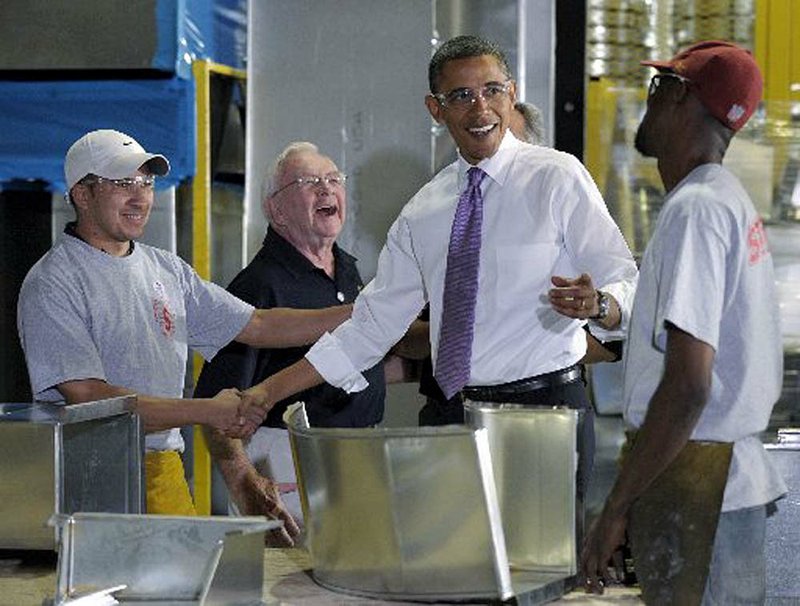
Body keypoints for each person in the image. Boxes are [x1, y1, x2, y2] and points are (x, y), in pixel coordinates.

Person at [239, 35, 637, 532]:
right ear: (436, 109)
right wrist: (267, 392)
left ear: (511, 93)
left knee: (539, 577)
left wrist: (600, 305)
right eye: (461, 96)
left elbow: (624, 278)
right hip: (451, 417)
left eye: (492, 90)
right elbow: (369, 328)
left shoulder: (557, 179)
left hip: (543, 414)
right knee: (452, 574)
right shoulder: (423, 212)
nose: (480, 108)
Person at [16, 129, 350, 517]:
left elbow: (257, 324)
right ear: (82, 194)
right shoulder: (54, 281)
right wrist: (208, 410)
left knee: (185, 579)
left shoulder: (166, 269)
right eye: (123, 183)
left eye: (146, 181)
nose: (140, 196)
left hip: (165, 472)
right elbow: (90, 396)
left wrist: (366, 313)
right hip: (91, 479)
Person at [580, 41, 786, 604]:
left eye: (658, 88)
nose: (648, 105)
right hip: (715, 479)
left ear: (679, 99)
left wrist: (615, 507)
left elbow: (690, 384)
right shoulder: (725, 201)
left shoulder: (695, 211)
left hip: (699, 480)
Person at [193, 141, 423, 546]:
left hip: (360, 455)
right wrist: (246, 486)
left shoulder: (349, 272)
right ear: (276, 210)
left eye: (334, 179)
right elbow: (219, 403)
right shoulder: (257, 287)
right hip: (288, 463)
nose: (326, 189)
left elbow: (346, 368)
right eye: (309, 181)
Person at [417, 98, 622, 426]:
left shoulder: (563, 203)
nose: (492, 152)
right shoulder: (435, 220)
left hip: (538, 410)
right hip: (449, 411)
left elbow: (615, 331)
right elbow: (407, 332)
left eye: (507, 142)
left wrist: (531, 340)